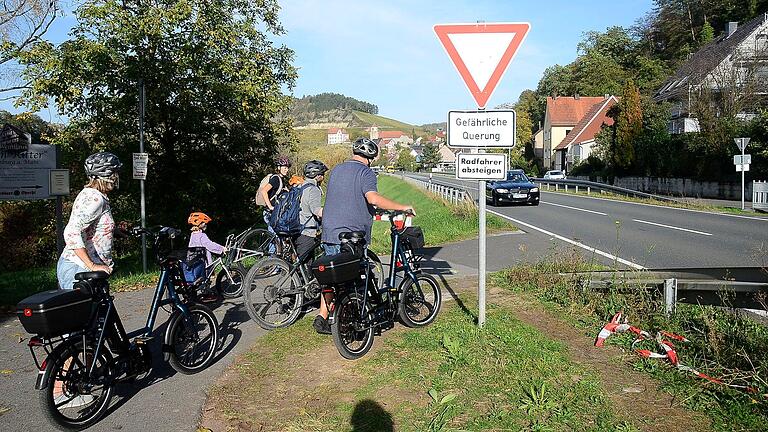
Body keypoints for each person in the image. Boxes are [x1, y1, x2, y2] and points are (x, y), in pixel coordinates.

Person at [314, 138, 414, 334]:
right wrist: (402, 206)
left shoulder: (336, 171)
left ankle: (323, 316)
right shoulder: (365, 172)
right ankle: (355, 318)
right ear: (371, 157)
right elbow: (373, 198)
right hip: (352, 235)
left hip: (330, 231)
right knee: (355, 278)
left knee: (332, 277)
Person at [57, 152, 125, 290]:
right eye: (115, 172)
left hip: (83, 269)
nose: (117, 177)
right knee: (83, 312)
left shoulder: (94, 195)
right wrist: (92, 266)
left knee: (102, 311)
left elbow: (88, 228)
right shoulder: (95, 199)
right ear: (108, 176)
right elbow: (71, 232)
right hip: (79, 269)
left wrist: (114, 231)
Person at [187, 212, 225, 302]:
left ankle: (194, 295)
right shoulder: (202, 235)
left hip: (194, 262)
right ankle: (206, 294)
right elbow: (210, 245)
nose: (206, 225)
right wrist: (222, 248)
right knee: (206, 278)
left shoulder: (193, 235)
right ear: (200, 224)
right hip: (203, 262)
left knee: (198, 279)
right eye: (205, 223)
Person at [294, 160, 327, 260]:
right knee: (306, 267)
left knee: (301, 265)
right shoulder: (313, 189)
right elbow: (316, 211)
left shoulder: (300, 186)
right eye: (322, 174)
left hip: (296, 229)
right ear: (317, 175)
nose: (323, 177)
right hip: (307, 232)